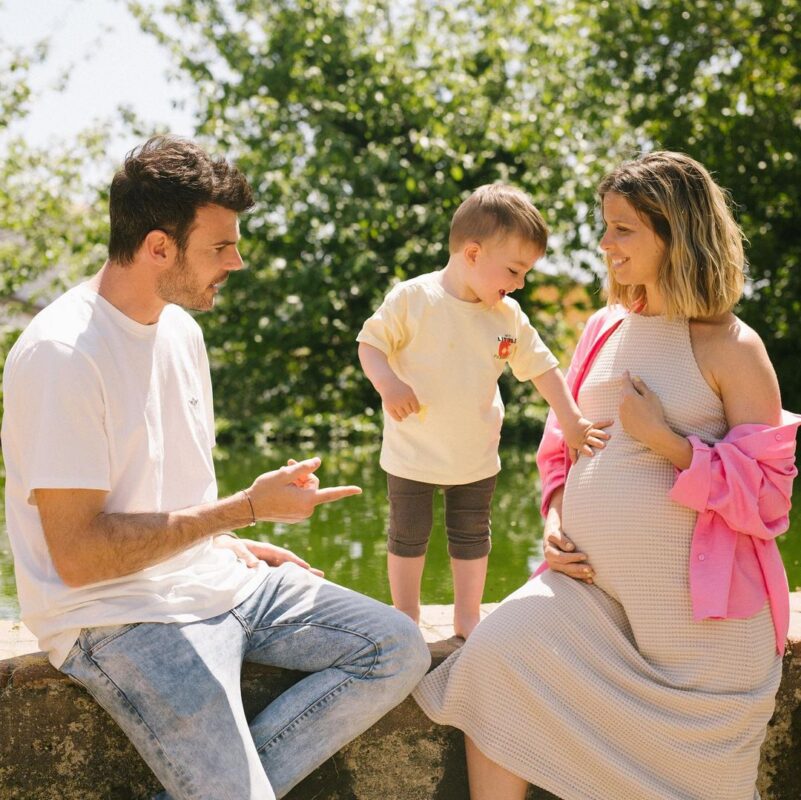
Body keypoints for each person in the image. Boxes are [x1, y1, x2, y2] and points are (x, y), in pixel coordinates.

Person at [1, 135, 430, 800]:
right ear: (158, 247)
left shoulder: (179, 331)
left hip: (218, 583)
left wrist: (225, 538)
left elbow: (163, 489)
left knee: (397, 647)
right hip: (115, 615)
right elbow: (79, 556)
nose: (237, 260)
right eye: (220, 247)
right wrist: (244, 508)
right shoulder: (63, 355)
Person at [413, 152, 800, 799]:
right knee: (492, 661)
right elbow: (559, 446)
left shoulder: (730, 346)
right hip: (590, 602)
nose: (603, 243)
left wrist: (668, 444)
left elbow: (766, 498)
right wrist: (557, 516)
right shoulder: (601, 328)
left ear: (674, 233)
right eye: (605, 225)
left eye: (622, 228)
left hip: (699, 632)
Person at [357, 184, 610, 639]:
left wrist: (571, 420)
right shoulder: (413, 298)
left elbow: (543, 368)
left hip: (475, 454)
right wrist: (388, 382)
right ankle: (405, 615)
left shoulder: (507, 316)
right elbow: (370, 345)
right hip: (412, 450)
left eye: (526, 272)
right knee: (407, 534)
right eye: (514, 269)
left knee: (472, 534)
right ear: (472, 253)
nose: (520, 282)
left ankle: (467, 617)